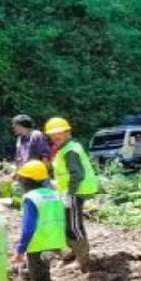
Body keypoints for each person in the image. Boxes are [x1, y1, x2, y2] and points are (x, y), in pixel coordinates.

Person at [43, 116, 99, 271]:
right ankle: (74, 255)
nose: (56, 136)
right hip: (71, 190)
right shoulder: (65, 148)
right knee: (68, 224)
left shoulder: (70, 151)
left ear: (68, 132)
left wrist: (69, 193)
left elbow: (77, 174)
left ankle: (84, 261)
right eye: (52, 134)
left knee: (74, 227)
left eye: (59, 132)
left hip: (76, 191)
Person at [12, 160, 66, 281]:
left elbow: (28, 227)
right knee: (32, 272)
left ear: (25, 180)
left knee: (42, 276)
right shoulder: (54, 194)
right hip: (55, 241)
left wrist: (20, 249)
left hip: (39, 243)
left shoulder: (31, 198)